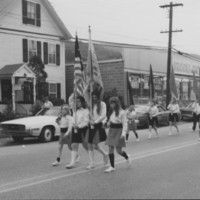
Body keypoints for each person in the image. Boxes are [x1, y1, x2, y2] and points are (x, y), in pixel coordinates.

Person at [105, 96, 131, 173]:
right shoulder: (111, 111)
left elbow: (125, 124)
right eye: (110, 104)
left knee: (119, 151)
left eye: (112, 103)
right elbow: (110, 121)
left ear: (116, 104)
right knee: (110, 148)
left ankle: (127, 157)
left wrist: (123, 134)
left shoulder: (122, 112)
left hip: (119, 131)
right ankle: (112, 166)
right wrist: (108, 123)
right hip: (112, 131)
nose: (110, 105)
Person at [66, 96, 89, 169]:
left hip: (82, 129)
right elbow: (70, 100)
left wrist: (78, 126)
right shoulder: (74, 110)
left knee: (85, 145)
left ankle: (91, 158)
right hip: (75, 129)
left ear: (82, 102)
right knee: (74, 145)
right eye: (76, 101)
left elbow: (86, 122)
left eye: (79, 101)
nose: (77, 103)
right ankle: (72, 162)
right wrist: (74, 93)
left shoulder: (86, 110)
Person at [87, 91, 109, 169]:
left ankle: (104, 155)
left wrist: (95, 122)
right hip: (91, 125)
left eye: (95, 97)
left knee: (94, 145)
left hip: (98, 125)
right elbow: (84, 93)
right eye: (93, 97)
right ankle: (92, 162)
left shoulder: (102, 104)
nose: (94, 98)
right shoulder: (90, 104)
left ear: (99, 97)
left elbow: (103, 115)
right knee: (90, 144)